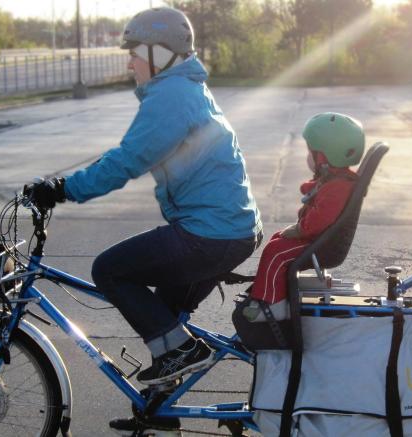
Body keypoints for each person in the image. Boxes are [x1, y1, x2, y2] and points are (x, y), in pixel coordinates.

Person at [25, 6, 261, 390]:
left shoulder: (171, 96)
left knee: (109, 270)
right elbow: (129, 154)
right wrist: (67, 183)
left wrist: (63, 189)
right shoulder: (185, 88)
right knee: (164, 324)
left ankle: (182, 352)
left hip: (210, 235)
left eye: (134, 53)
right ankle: (159, 411)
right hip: (227, 230)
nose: (130, 63)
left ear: (160, 52)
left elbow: (128, 161)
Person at [246, 112, 365, 316]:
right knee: (277, 240)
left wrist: (299, 229)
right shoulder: (339, 178)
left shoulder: (337, 187)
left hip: (322, 244)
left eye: (312, 152)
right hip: (321, 239)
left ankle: (271, 306)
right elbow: (322, 191)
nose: (309, 157)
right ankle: (272, 290)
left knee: (276, 253)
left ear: (325, 156)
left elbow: (320, 219)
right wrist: (310, 188)